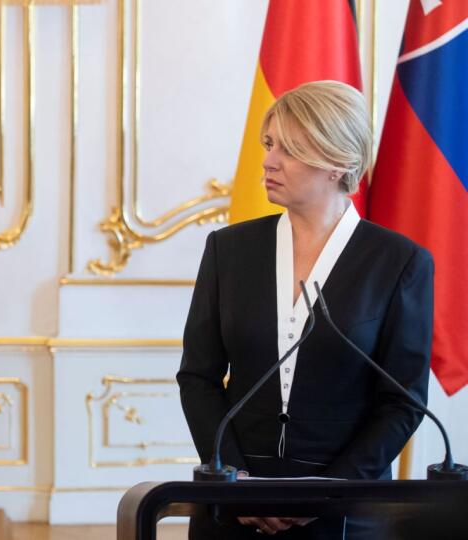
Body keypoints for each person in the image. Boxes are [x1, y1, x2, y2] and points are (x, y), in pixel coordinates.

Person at [177, 80, 432, 539]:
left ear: (338, 163)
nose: (268, 161)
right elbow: (198, 377)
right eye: (270, 144)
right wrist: (236, 481)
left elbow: (403, 400)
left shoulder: (399, 261)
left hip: (347, 510)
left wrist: (329, 492)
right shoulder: (228, 249)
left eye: (289, 149)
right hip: (234, 501)